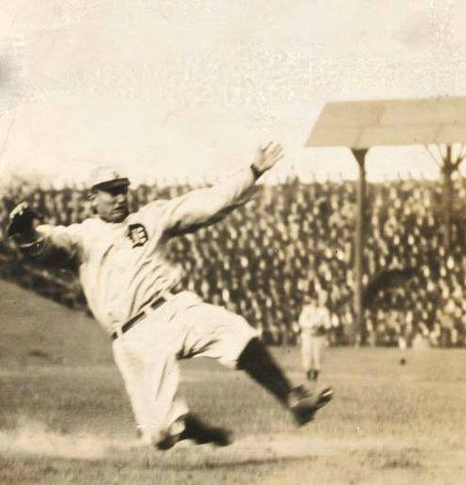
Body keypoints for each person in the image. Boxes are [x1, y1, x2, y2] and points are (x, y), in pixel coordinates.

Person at [7, 143, 332, 449]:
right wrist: (25, 232)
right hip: (132, 337)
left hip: (172, 308)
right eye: (112, 192)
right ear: (91, 200)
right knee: (160, 435)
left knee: (232, 330)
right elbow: (44, 245)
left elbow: (207, 203)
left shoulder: (149, 218)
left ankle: (293, 398)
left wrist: (252, 171)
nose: (121, 198)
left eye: (124, 190)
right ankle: (189, 427)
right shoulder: (81, 237)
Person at [298, 291, 331, 381]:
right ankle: (308, 374)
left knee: (318, 356)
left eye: (316, 299)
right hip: (308, 335)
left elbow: (328, 324)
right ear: (311, 300)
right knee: (307, 354)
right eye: (313, 299)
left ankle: (315, 375)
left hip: (319, 336)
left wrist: (321, 326)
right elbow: (301, 322)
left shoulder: (324, 310)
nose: (315, 301)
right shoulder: (306, 309)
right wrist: (311, 324)